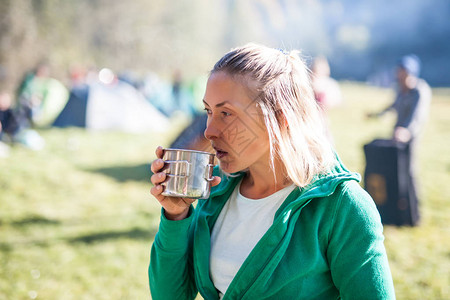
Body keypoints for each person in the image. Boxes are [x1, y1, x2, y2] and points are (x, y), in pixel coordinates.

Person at [149, 43, 395, 299]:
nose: (209, 130)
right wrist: (176, 215)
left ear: (279, 118)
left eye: (226, 113)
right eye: (208, 111)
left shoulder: (343, 207)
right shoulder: (216, 193)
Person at [367, 54, 431, 222]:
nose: (400, 76)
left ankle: (412, 211)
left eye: (403, 72)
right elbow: (393, 106)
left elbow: (418, 116)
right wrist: (376, 114)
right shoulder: (399, 89)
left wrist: (406, 131)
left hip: (410, 138)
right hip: (396, 137)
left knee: (409, 172)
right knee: (393, 171)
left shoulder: (420, 91)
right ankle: (394, 207)